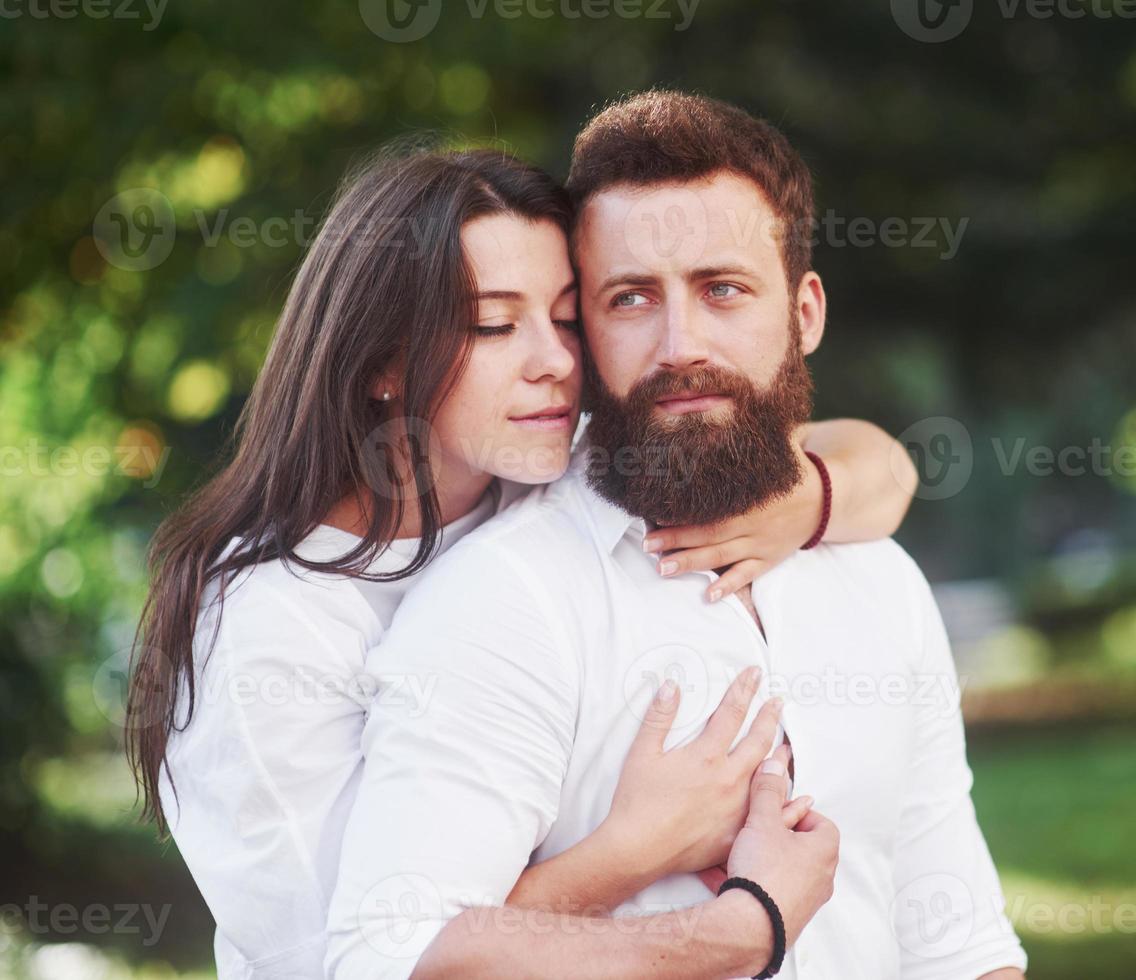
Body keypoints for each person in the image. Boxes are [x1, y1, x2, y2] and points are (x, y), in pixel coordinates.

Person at [126, 145, 919, 979]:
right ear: (383, 362)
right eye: (495, 325)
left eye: (569, 317)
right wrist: (642, 854)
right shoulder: (264, 629)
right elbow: (365, 964)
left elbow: (883, 466)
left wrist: (798, 505)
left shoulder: (543, 469)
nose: (557, 361)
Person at [326, 91, 1027, 979]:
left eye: (722, 288)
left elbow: (956, 941)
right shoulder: (504, 601)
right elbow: (384, 957)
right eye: (628, 300)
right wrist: (741, 928)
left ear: (805, 313)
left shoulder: (878, 576)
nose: (678, 343)